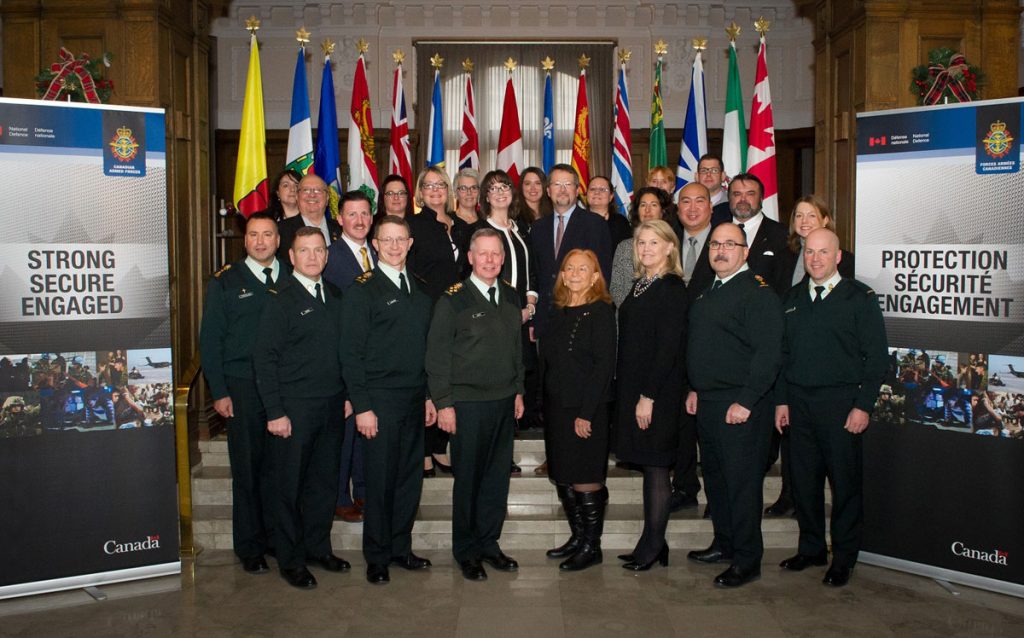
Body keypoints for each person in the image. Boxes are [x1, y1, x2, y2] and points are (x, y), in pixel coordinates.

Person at [775, 228, 888, 588]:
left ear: (838, 257)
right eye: (810, 252)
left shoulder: (859, 298)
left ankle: (843, 557)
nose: (816, 259)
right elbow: (783, 355)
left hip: (842, 405)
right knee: (804, 483)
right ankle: (811, 548)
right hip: (799, 404)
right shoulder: (792, 298)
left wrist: (863, 406)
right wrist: (781, 400)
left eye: (824, 252)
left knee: (844, 485)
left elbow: (877, 358)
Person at [686, 222, 783, 588]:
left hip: (740, 404)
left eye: (730, 244)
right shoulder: (710, 290)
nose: (721, 250)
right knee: (716, 480)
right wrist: (696, 388)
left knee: (742, 485)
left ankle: (747, 559)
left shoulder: (757, 294)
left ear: (745, 252)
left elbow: (769, 354)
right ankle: (724, 543)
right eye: (715, 244)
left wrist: (746, 400)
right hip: (709, 402)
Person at [340, 215, 437, 585]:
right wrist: (361, 405)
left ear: (410, 244)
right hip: (378, 402)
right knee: (379, 482)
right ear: (375, 245)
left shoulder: (421, 289)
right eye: (387, 240)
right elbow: (351, 353)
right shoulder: (362, 290)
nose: (395, 246)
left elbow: (425, 351)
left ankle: (400, 548)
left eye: (401, 240)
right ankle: (377, 555)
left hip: (414, 400)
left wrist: (429, 395)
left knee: (408, 480)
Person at [425, 228, 525, 581]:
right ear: (469, 257)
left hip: (502, 402)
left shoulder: (511, 298)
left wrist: (518, 391)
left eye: (496, 254)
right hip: (466, 405)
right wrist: (445, 403)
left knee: (496, 480)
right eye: (482, 253)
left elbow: (517, 351)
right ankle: (466, 550)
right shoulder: (453, 300)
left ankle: (489, 544)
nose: (490, 260)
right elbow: (436, 357)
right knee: (468, 480)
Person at [253, 227, 351, 589]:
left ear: (326, 255)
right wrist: (275, 412)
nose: (313, 257)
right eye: (304, 251)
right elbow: (265, 359)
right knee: (288, 487)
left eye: (319, 250)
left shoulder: (336, 296)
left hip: (331, 407)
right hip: (292, 410)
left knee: (324, 484)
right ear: (290, 257)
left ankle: (318, 548)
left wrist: (348, 395)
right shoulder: (280, 299)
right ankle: (291, 558)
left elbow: (343, 354)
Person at [198, 211, 286, 575]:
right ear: (245, 240)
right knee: (248, 468)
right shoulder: (226, 281)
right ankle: (249, 546)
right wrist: (219, 391)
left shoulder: (294, 276)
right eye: (254, 235)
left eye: (268, 234)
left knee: (279, 468)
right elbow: (211, 340)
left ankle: (276, 538)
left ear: (279, 240)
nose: (261, 241)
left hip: (283, 388)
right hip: (242, 385)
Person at [614, 219, 689, 571]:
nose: (645, 249)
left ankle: (653, 546)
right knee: (649, 465)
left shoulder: (672, 288)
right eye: (641, 243)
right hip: (636, 386)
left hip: (657, 390)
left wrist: (649, 396)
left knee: (658, 468)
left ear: (670, 247)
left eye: (653, 243)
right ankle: (652, 540)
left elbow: (668, 349)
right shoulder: (642, 283)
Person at [540, 249, 616, 571]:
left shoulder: (601, 311)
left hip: (588, 410)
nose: (573, 273)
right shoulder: (556, 311)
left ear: (595, 276)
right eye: (568, 268)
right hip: (557, 407)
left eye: (582, 269)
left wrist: (586, 413)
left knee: (585, 477)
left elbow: (603, 366)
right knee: (563, 475)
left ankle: (591, 546)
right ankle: (577, 536)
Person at [407, 166, 469, 477]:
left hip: (458, 315)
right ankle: (425, 451)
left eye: (440, 185)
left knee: (451, 378)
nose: (434, 190)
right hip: (427, 312)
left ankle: (441, 446)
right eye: (428, 186)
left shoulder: (459, 225)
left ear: (449, 190)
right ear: (419, 192)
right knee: (429, 379)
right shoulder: (414, 225)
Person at [473, 170, 539, 448]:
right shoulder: (481, 232)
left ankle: (510, 440)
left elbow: (531, 271)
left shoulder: (520, 228)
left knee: (519, 378)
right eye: (493, 188)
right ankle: (498, 446)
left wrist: (531, 305)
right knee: (497, 379)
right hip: (494, 321)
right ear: (486, 196)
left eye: (505, 187)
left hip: (523, 317)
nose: (500, 192)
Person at [323, 191, 377, 524]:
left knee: (366, 433)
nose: (359, 220)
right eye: (352, 215)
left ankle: (364, 491)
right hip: (344, 360)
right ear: (340, 219)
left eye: (365, 214)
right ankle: (341, 496)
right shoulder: (329, 257)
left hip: (375, 363)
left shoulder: (379, 251)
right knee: (343, 436)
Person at [667, 182, 717, 513]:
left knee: (712, 433)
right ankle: (685, 486)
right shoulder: (668, 243)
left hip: (714, 355)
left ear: (711, 208)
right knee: (681, 428)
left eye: (700, 201)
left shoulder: (726, 241)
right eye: (686, 201)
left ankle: (718, 496)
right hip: (674, 352)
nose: (693, 207)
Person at [713, 172, 789, 295]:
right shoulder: (716, 232)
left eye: (750, 194)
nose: (743, 200)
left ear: (761, 198)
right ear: (729, 198)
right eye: (737, 194)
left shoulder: (781, 235)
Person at [609, 187, 671, 307]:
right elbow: (615, 287)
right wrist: (633, 310)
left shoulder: (670, 244)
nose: (647, 210)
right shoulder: (624, 246)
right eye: (643, 205)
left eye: (653, 205)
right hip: (626, 315)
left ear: (662, 211)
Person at [782, 195, 855, 287]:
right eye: (799, 216)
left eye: (812, 216)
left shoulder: (846, 261)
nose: (804, 221)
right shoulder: (782, 257)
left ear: (825, 221)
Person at [276, 174, 342, 263]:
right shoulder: (280, 231)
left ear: (327, 198)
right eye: (306, 190)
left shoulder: (341, 229)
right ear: (297, 197)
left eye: (318, 190)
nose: (312, 195)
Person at [586, 175, 631, 246]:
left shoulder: (621, 222)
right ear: (587, 194)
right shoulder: (577, 221)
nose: (597, 192)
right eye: (592, 189)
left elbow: (627, 251)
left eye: (602, 189)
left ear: (611, 196)